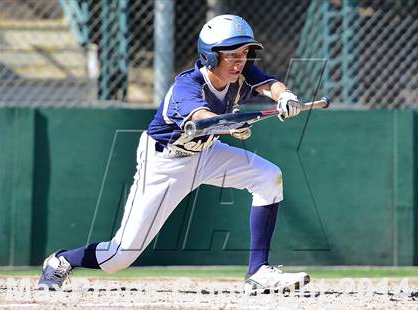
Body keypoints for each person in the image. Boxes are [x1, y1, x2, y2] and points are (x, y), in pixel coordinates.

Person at [38, 14, 309, 295]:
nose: (240, 60)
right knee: (118, 257)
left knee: (268, 176)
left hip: (205, 154)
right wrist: (230, 125)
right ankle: (61, 260)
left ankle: (259, 272)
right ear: (210, 56)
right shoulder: (186, 87)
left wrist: (285, 96)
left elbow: (268, 84)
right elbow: (203, 118)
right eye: (231, 54)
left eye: (244, 52)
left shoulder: (240, 71)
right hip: (165, 163)